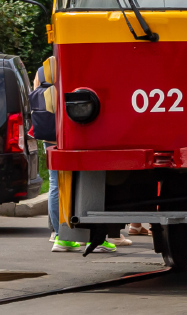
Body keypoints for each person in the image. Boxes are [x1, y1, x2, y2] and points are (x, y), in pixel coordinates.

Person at [32, 60, 116, 254]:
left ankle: (62, 236)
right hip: (78, 129)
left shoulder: (42, 70)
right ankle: (95, 237)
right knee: (91, 179)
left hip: (50, 132)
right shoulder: (79, 64)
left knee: (55, 183)